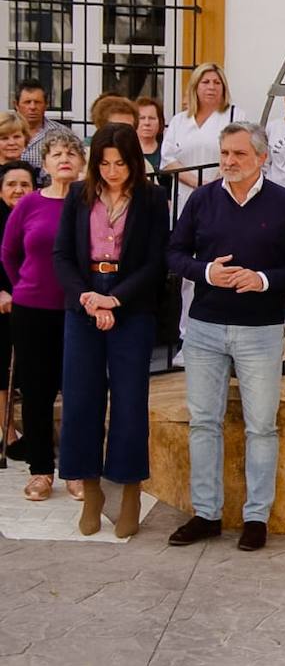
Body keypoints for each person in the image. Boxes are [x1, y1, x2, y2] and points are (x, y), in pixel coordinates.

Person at [165, 122, 285, 552]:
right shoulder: (201, 199)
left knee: (261, 428)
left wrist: (265, 280)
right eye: (225, 153)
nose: (229, 162)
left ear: (262, 157)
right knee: (203, 423)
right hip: (204, 328)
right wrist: (207, 272)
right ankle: (206, 514)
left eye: (238, 154)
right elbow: (174, 254)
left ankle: (256, 518)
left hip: (261, 331)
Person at [52, 124, 168, 537]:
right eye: (104, 163)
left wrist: (115, 300)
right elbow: (62, 254)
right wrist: (87, 298)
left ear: (133, 161)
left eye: (119, 163)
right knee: (81, 400)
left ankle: (131, 489)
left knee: (129, 399)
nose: (112, 171)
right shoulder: (79, 196)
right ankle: (91, 489)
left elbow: (156, 262)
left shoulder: (153, 198)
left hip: (130, 303)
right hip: (83, 301)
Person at [1, 130, 87, 502]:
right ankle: (40, 471)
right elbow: (9, 253)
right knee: (36, 392)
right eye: (56, 153)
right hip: (33, 308)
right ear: (45, 164)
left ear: (82, 163)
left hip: (76, 309)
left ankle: (76, 470)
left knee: (77, 391)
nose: (64, 158)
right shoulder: (29, 205)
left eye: (72, 152)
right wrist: (23, 285)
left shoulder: (88, 204)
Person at [162, 62, 240, 215]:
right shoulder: (179, 120)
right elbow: (167, 160)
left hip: (222, 194)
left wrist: (213, 186)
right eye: (205, 82)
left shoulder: (234, 116)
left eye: (217, 82)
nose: (211, 87)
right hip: (184, 197)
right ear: (195, 86)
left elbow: (240, 154)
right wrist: (198, 184)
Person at [0, 160, 34, 455]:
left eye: (24, 184)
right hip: (3, 301)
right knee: (1, 368)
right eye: (12, 184)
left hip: (33, 299)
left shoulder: (37, 214)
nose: (18, 190)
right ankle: (8, 433)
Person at [15, 78, 66, 171]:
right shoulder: (4, 133)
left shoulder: (62, 134)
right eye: (27, 102)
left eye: (37, 102)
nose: (32, 107)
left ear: (46, 105)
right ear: (16, 105)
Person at [134, 96, 165, 171]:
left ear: (160, 122)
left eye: (151, 118)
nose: (147, 123)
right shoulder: (126, 151)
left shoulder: (167, 151)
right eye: (142, 118)